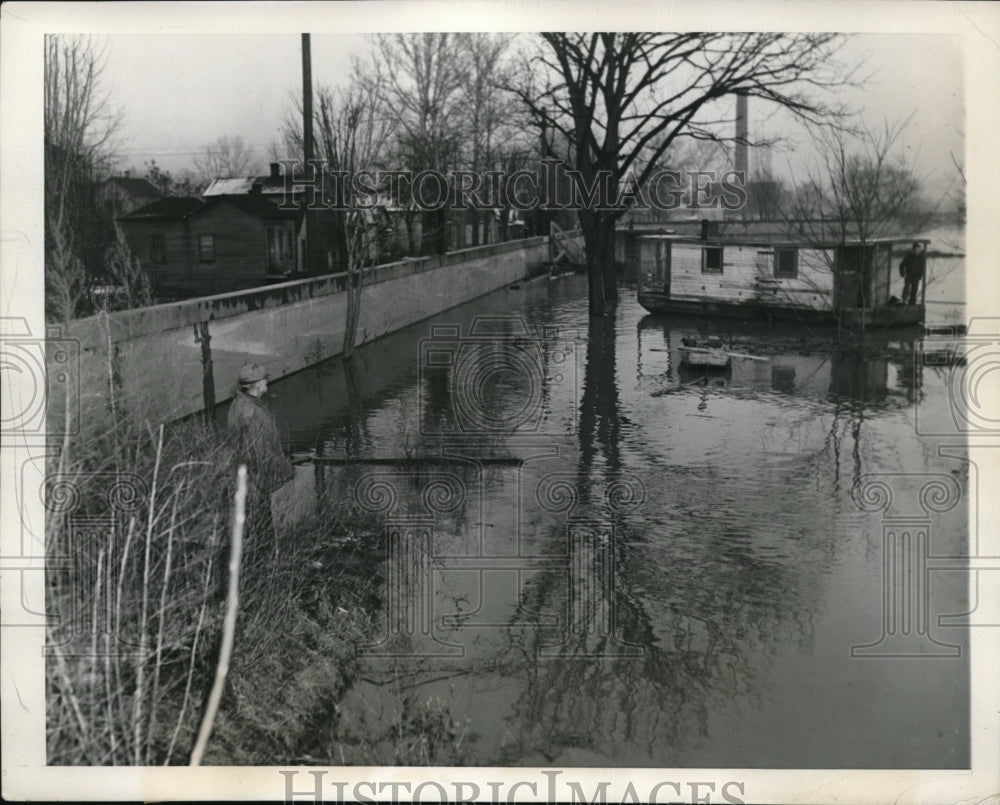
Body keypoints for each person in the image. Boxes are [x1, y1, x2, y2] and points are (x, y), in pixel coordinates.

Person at [227, 363, 293, 562]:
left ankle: (260, 565)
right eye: (265, 380)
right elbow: (260, 453)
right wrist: (286, 469)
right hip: (255, 480)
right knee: (262, 527)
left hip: (245, 478)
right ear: (256, 384)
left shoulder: (239, 404)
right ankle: (266, 568)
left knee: (254, 526)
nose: (267, 383)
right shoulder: (251, 413)